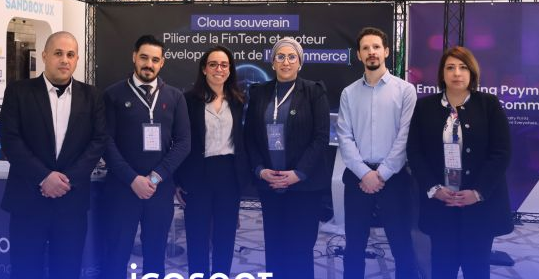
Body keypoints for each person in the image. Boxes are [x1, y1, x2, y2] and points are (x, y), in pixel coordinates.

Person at [0, 31, 107, 279]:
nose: (64, 60)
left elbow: (98, 141)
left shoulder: (92, 96)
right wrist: (44, 177)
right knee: (25, 271)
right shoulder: (18, 92)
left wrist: (66, 180)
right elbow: (11, 140)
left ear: (77, 59)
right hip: (28, 200)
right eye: (58, 53)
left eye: (70, 54)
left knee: (67, 270)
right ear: (44, 56)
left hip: (71, 202)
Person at [407, 46, 513, 279]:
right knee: (442, 268)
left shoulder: (489, 104)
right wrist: (434, 188)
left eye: (463, 67)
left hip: (478, 207)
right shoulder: (424, 107)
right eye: (450, 67)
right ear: (442, 73)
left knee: (477, 269)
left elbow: (501, 152)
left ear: (472, 73)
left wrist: (478, 192)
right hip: (441, 205)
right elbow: (415, 152)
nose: (457, 73)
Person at [101, 34, 190, 279]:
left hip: (158, 191)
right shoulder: (113, 94)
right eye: (144, 57)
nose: (149, 64)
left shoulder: (175, 97)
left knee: (155, 256)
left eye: (155, 60)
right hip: (121, 189)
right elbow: (105, 141)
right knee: (116, 256)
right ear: (134, 57)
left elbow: (184, 143)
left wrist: (155, 177)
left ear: (162, 62)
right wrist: (132, 179)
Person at [244, 37, 330, 279]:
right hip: (269, 184)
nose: (286, 62)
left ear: (300, 63)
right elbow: (249, 137)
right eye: (280, 57)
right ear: (273, 63)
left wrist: (298, 173)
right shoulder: (259, 92)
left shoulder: (314, 91)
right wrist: (260, 170)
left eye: (292, 57)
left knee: (299, 249)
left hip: (304, 186)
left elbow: (321, 138)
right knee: (274, 246)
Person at [337, 27, 419, 279]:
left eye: (376, 47)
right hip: (358, 179)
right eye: (365, 48)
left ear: (386, 52)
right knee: (354, 245)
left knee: (401, 243)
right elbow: (344, 137)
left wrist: (381, 174)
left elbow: (405, 137)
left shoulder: (405, 90)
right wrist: (365, 173)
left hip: (394, 179)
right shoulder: (349, 93)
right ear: (359, 55)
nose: (371, 52)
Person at [175, 46, 248, 276]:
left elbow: (242, 140)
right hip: (198, 175)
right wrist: (178, 180)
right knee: (196, 237)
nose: (219, 69)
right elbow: (179, 140)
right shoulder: (188, 100)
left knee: (225, 238)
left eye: (224, 65)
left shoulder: (238, 100)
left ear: (230, 70)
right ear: (204, 69)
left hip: (229, 175)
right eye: (213, 64)